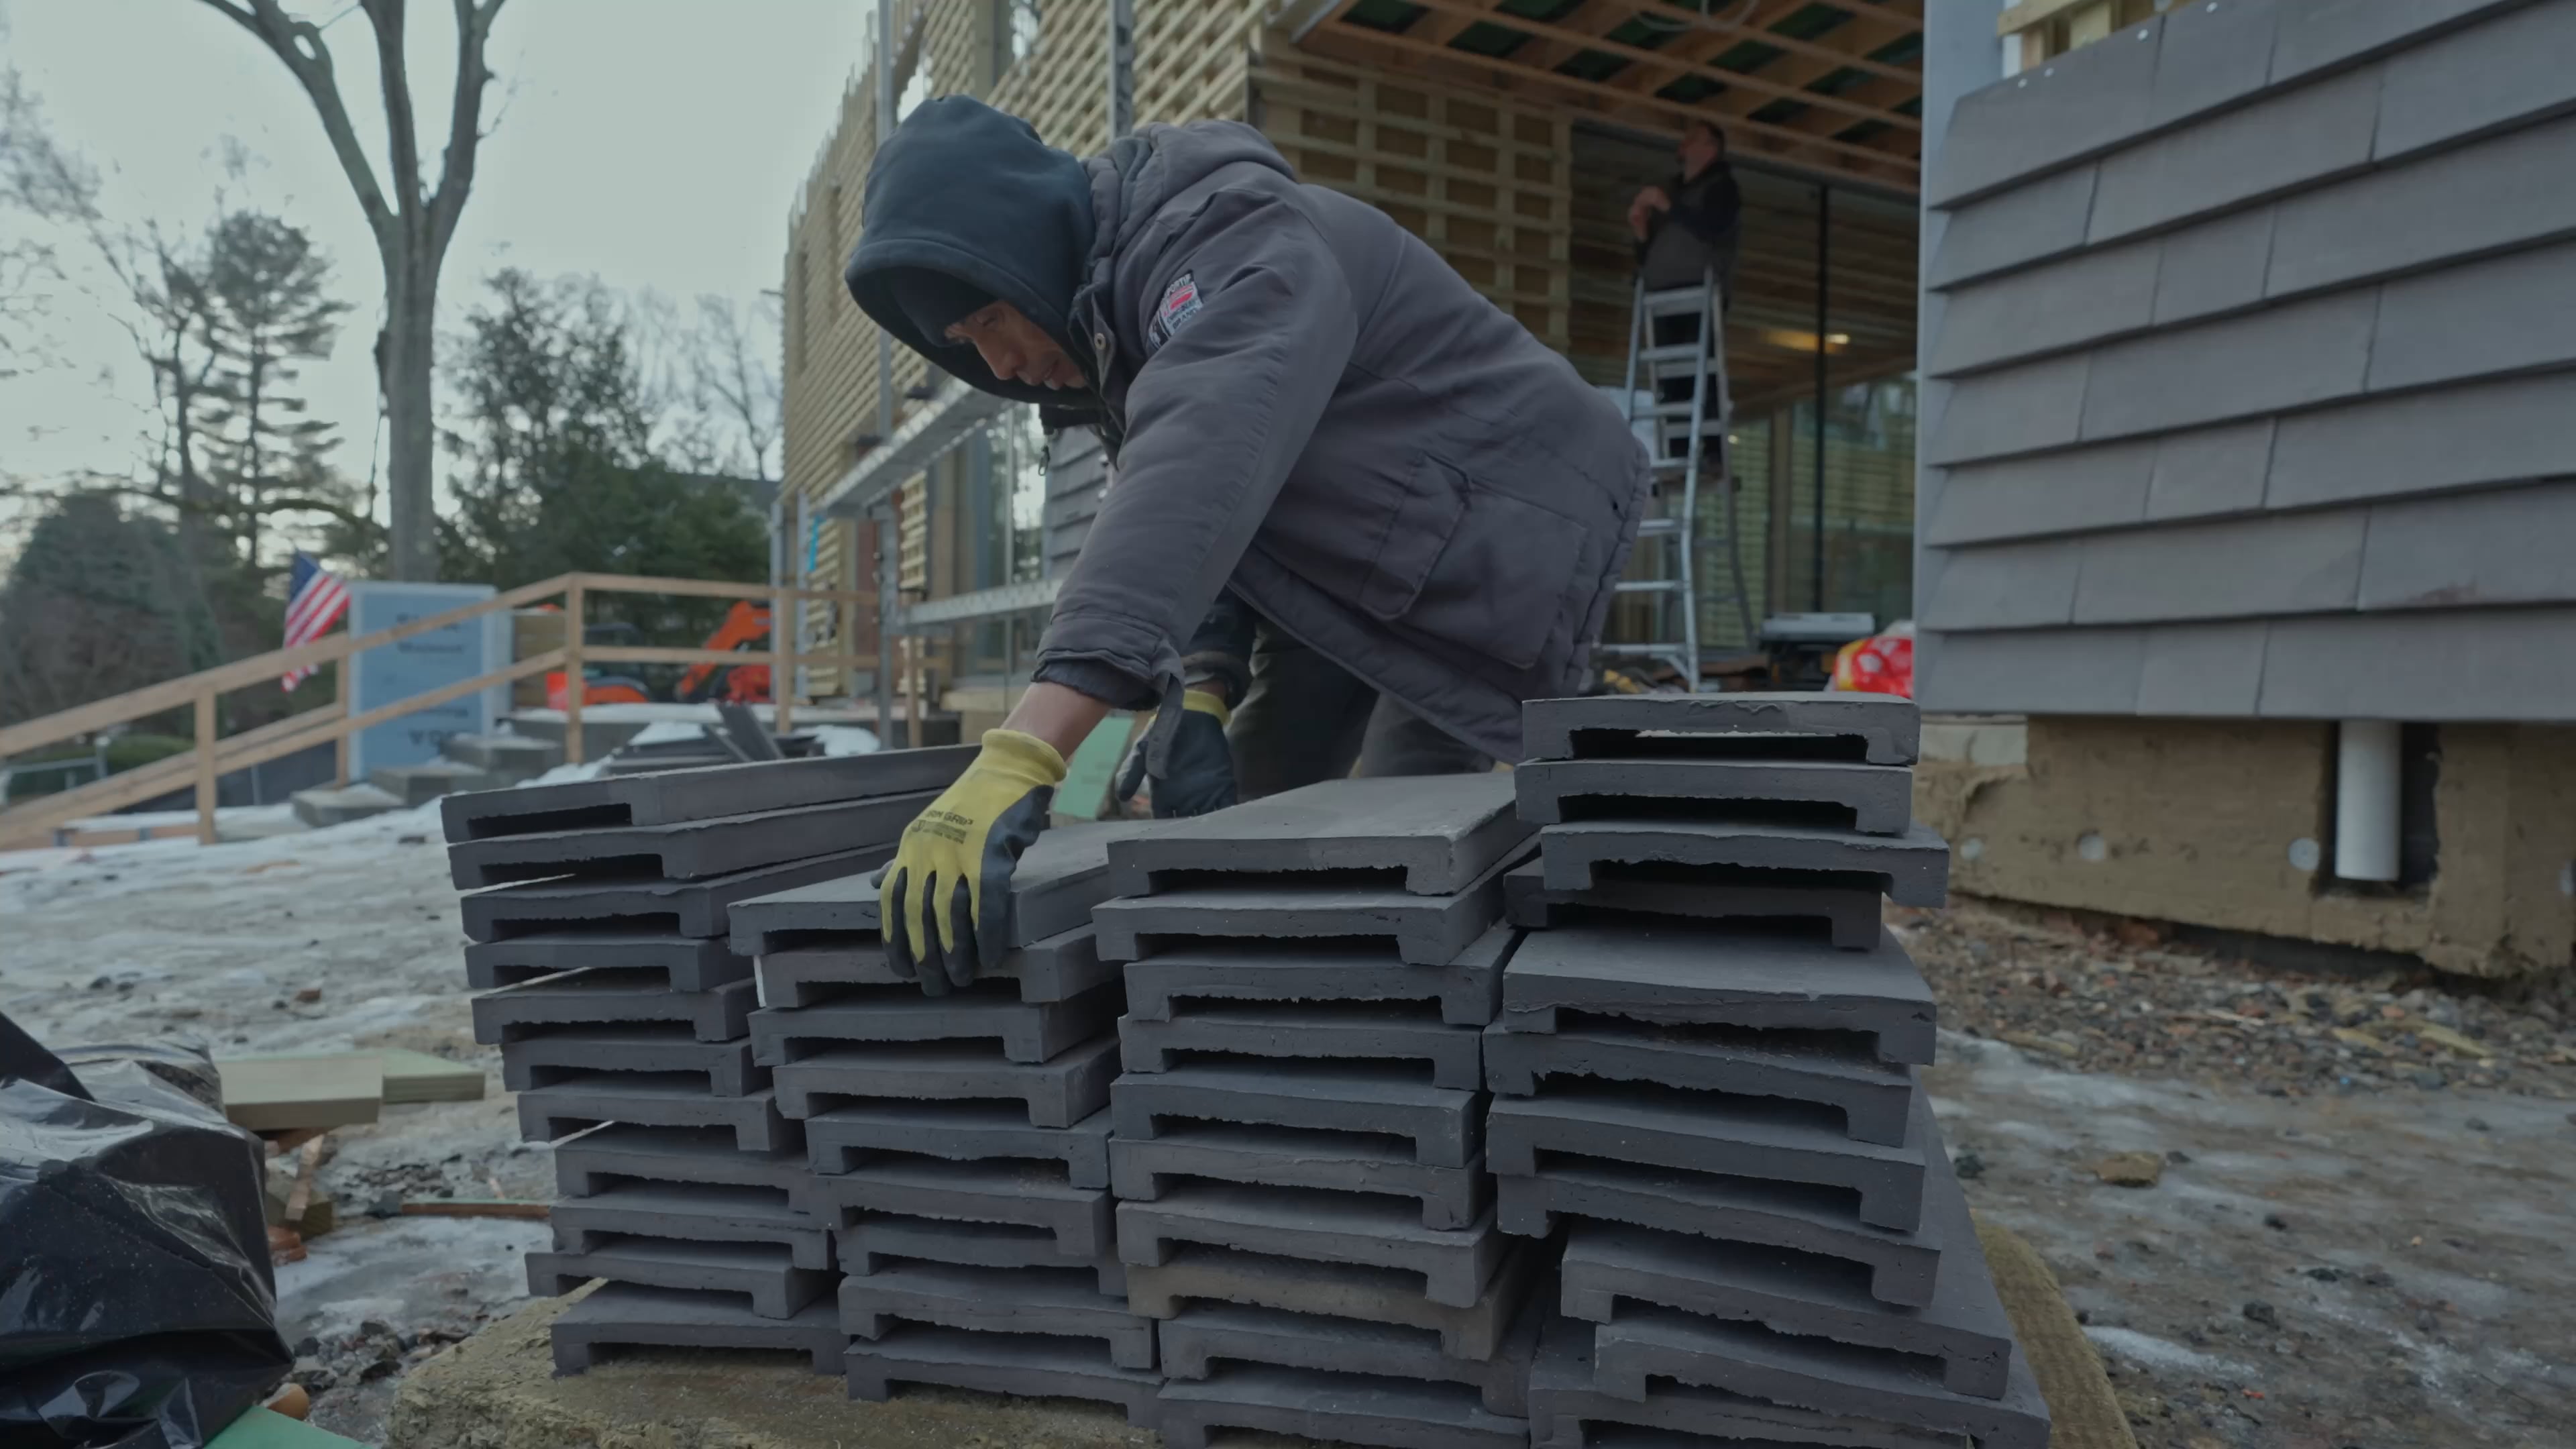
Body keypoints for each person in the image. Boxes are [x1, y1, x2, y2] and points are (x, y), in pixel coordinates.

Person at [845, 96, 1650, 987]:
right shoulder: (1118, 331)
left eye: (993, 318)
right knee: (1255, 815)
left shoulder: (1233, 238)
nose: (996, 364)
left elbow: (1194, 470)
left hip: (1501, 512)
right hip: (1362, 545)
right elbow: (1221, 524)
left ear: (1023, 243)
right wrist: (1201, 689)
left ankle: (1399, 1032)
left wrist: (1023, 751)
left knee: (1401, 835)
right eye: (967, 342)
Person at [1629, 118, 1743, 302]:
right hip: (1659, 294)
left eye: (1694, 138)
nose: (1685, 142)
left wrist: (1669, 206)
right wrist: (1641, 230)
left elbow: (1712, 227)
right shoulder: (1671, 191)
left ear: (1711, 149)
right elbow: (1645, 256)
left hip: (1697, 294)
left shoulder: (1723, 187)